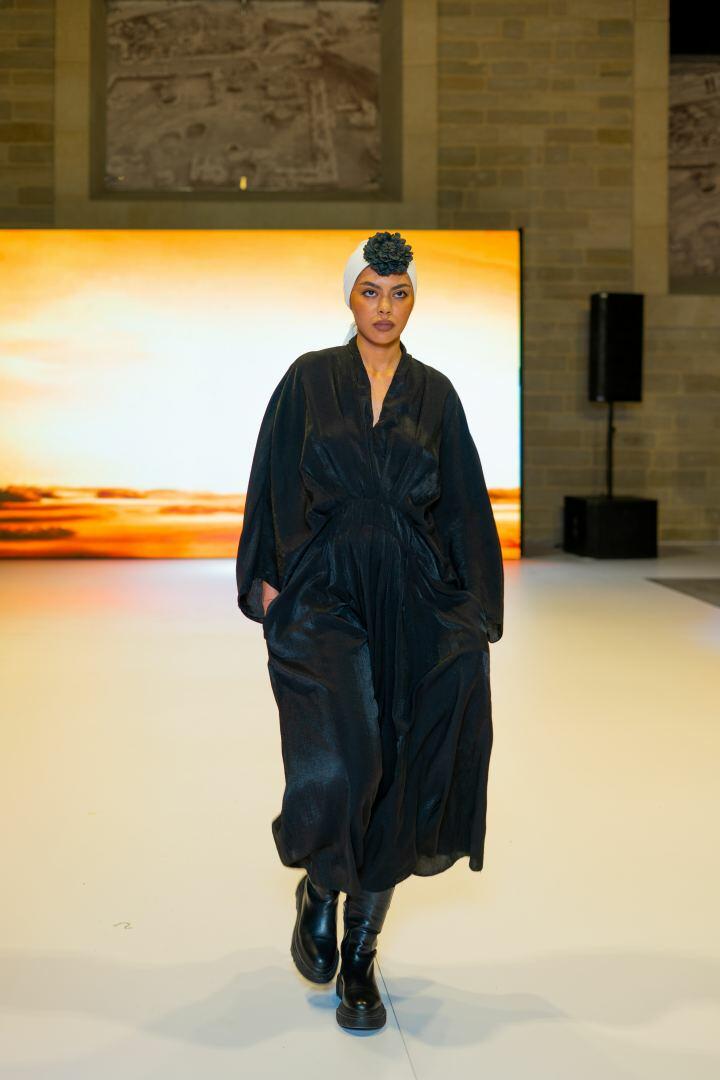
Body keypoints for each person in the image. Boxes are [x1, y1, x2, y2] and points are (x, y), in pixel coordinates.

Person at [235, 230, 504, 1032]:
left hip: (415, 596)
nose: (384, 308)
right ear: (350, 297)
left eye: (399, 294)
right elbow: (272, 477)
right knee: (344, 755)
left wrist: (474, 612)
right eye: (370, 292)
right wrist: (270, 578)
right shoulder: (308, 379)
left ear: (412, 302)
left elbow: (462, 503)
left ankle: (361, 953)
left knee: (402, 768)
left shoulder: (436, 394)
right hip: (325, 590)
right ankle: (321, 884)